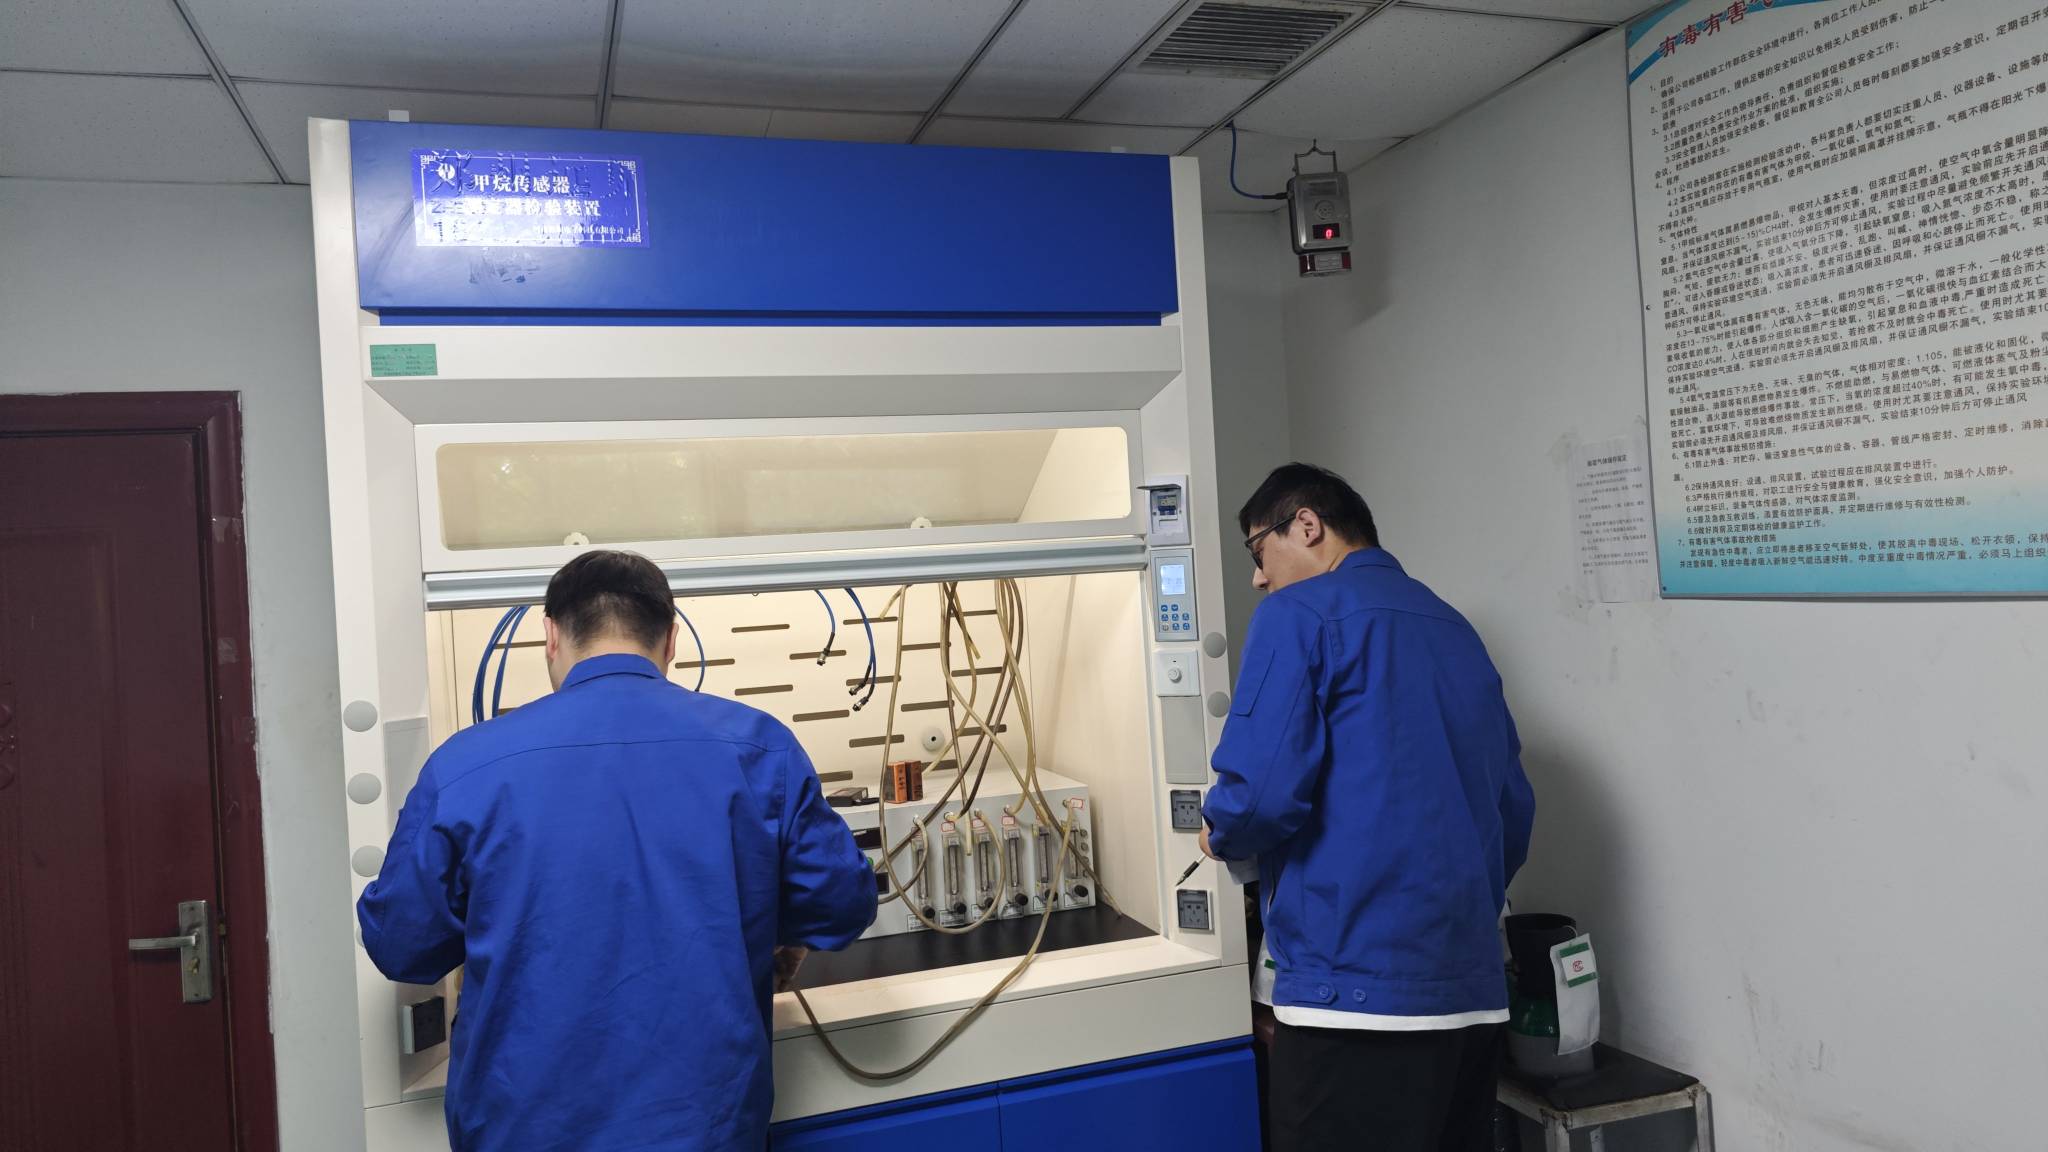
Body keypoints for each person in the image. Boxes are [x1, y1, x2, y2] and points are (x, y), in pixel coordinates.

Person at [358, 550, 876, 1152]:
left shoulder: (465, 764)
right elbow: (842, 906)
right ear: (671, 640)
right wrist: (761, 917)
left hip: (521, 1128)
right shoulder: (759, 748)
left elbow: (402, 945)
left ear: (551, 637)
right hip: (705, 1126)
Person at [1201, 464, 1535, 1152]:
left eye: (1258, 551)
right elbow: (1513, 809)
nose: (1259, 578)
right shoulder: (1453, 626)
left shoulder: (1297, 614)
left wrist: (1219, 832)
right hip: (1470, 998)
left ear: (1306, 525)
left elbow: (1259, 795)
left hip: (1350, 1000)